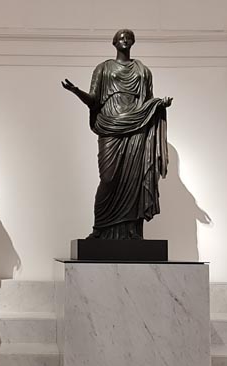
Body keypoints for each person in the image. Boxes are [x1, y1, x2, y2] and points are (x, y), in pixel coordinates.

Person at [61, 29, 173, 239]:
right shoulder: (103, 68)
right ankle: (99, 229)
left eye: (129, 37)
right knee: (108, 178)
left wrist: (159, 104)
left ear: (133, 42)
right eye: (121, 37)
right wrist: (76, 91)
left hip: (137, 127)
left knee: (134, 179)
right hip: (110, 125)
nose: (125, 40)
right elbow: (93, 100)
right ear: (114, 42)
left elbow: (147, 101)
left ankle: (132, 231)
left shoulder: (143, 71)